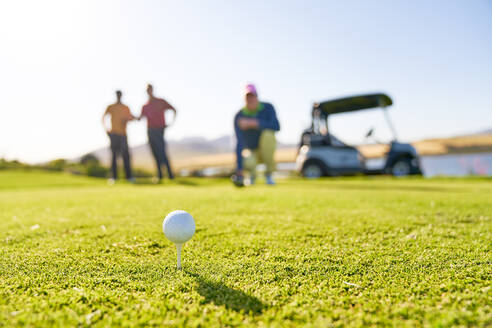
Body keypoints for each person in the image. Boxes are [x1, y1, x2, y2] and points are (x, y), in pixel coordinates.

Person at [233, 84, 280, 186]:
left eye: (252, 96)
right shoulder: (239, 115)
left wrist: (254, 123)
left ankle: (269, 175)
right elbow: (239, 142)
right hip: (251, 151)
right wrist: (239, 168)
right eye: (247, 97)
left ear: (257, 96)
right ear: (244, 99)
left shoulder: (268, 107)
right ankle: (251, 176)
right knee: (248, 160)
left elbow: (276, 126)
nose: (250, 99)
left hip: (266, 150)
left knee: (268, 134)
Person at [139, 84, 176, 182]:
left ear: (152, 90)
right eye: (147, 90)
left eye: (150, 89)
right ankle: (160, 175)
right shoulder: (145, 106)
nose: (149, 91)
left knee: (162, 152)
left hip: (159, 130)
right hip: (150, 130)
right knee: (155, 153)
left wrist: (170, 123)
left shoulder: (161, 101)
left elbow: (174, 109)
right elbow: (140, 118)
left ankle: (170, 175)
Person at [102, 90, 135, 183]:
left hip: (123, 135)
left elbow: (131, 117)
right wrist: (106, 129)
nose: (119, 96)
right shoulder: (111, 107)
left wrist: (130, 119)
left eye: (120, 95)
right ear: (116, 96)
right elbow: (103, 118)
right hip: (114, 134)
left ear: (121, 96)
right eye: (117, 95)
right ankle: (114, 177)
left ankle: (129, 177)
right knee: (114, 156)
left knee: (126, 156)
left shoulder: (125, 107)